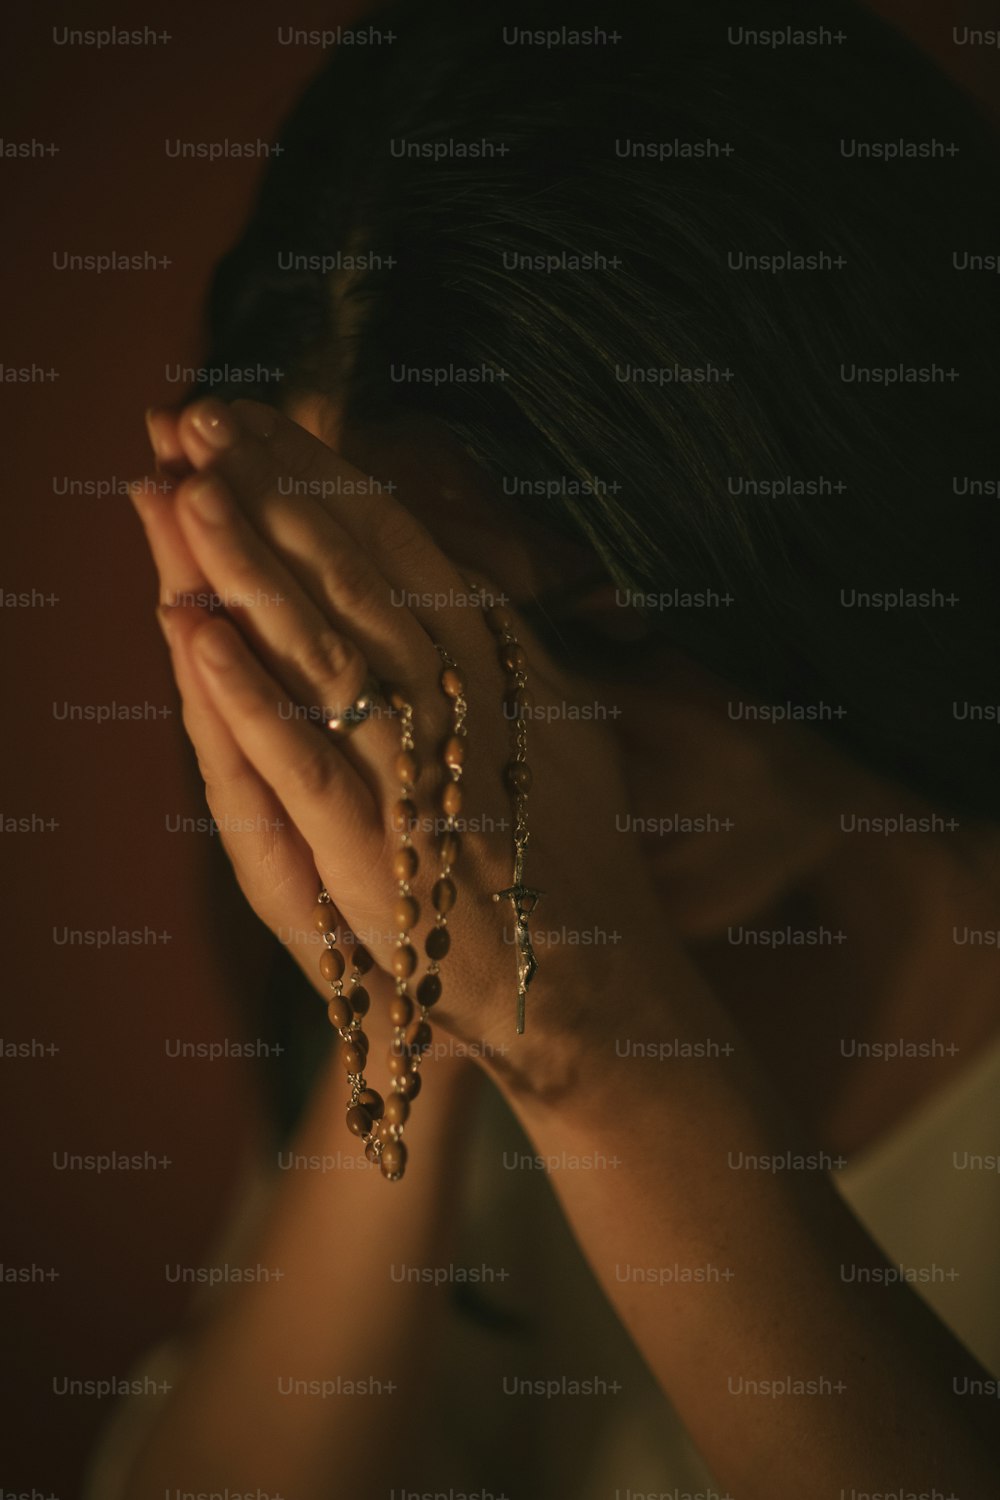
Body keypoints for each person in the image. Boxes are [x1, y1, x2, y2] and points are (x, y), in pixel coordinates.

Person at [93, 0, 1000, 1495]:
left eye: (617, 627)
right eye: (415, 647)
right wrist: (432, 994)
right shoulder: (436, 934)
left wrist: (594, 1037)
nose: (528, 747)